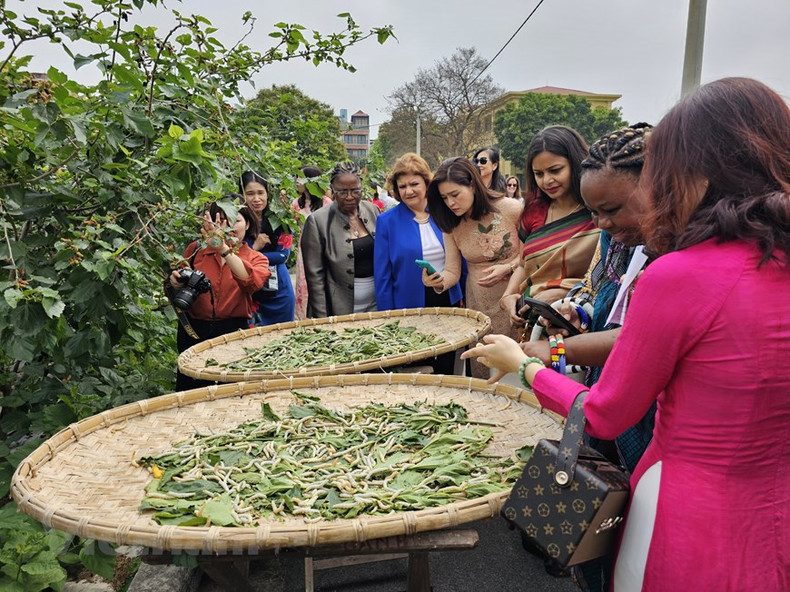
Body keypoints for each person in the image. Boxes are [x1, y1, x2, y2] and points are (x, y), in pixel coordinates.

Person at [462, 77, 790, 591]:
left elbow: (606, 412)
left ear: (696, 172)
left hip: (686, 520)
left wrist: (526, 364)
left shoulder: (681, 273)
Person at [422, 157, 522, 378]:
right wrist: (438, 280)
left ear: (473, 185)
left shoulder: (511, 209)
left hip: (515, 300)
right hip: (480, 306)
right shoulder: (451, 224)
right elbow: (452, 272)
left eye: (455, 195)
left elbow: (533, 255)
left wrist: (508, 268)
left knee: (517, 369)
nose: (450, 203)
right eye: (444, 198)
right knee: (484, 371)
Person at [499, 126, 600, 331]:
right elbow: (522, 264)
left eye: (555, 170)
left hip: (583, 320)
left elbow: (611, 274)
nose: (547, 181)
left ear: (576, 164)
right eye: (539, 173)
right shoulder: (534, 211)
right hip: (534, 320)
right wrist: (508, 296)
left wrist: (566, 291)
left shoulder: (599, 211)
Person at [374, 153, 463, 374]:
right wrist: (387, 319)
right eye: (402, 186)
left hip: (446, 299)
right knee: (416, 370)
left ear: (426, 183)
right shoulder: (387, 221)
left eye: (414, 184)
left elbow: (462, 260)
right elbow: (383, 276)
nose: (408, 191)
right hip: (408, 307)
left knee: (445, 366)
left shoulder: (446, 213)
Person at [169, 202, 270, 391]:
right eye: (221, 221)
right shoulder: (195, 251)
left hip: (233, 332)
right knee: (191, 390)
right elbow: (177, 280)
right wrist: (175, 282)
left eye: (236, 220)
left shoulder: (256, 258)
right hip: (194, 331)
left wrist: (222, 247)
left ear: (248, 224)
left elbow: (250, 283)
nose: (228, 226)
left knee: (231, 390)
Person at [301, 161, 380, 317]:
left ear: (362, 187)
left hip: (375, 305)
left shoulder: (373, 211)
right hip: (338, 308)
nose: (350, 197)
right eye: (342, 192)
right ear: (332, 190)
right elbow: (315, 278)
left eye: (355, 191)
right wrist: (322, 321)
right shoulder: (317, 221)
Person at [239, 171, 295, 325]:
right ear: (241, 194)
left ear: (268, 193)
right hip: (252, 291)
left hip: (280, 291)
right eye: (250, 193)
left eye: (260, 193)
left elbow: (283, 256)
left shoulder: (280, 218)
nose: (256, 199)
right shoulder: (237, 220)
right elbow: (233, 255)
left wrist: (250, 253)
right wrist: (255, 247)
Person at [292, 166, 332, 320]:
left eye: (300, 178)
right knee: (303, 282)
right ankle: (303, 317)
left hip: (323, 247)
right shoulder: (296, 203)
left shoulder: (326, 203)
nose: (297, 181)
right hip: (304, 248)